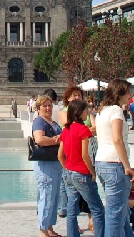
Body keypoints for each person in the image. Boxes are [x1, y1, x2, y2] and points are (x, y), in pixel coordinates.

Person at [94, 79, 134, 237]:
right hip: (115, 164)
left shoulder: (102, 110)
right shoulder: (116, 111)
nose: (131, 95)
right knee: (116, 214)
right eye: (128, 92)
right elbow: (117, 139)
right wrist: (127, 166)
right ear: (119, 93)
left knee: (117, 211)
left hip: (101, 162)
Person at [59, 99, 105, 237]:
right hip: (82, 173)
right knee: (97, 209)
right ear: (79, 112)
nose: (87, 113)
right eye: (86, 110)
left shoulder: (65, 130)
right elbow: (85, 155)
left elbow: (60, 155)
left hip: (69, 173)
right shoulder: (83, 130)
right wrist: (93, 172)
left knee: (71, 210)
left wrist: (67, 167)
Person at [58, 85, 96, 227]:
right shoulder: (65, 114)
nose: (77, 97)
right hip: (76, 158)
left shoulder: (86, 112)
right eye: (74, 95)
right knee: (91, 200)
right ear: (68, 98)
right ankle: (79, 225)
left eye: (79, 95)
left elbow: (96, 127)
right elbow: (70, 126)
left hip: (80, 154)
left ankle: (87, 222)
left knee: (78, 198)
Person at [31, 95, 63, 237]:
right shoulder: (39, 122)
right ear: (38, 108)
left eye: (50, 105)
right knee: (46, 196)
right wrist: (56, 140)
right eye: (45, 106)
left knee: (53, 197)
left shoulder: (53, 122)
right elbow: (39, 139)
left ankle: (49, 227)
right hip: (46, 164)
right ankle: (43, 230)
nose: (48, 108)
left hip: (55, 163)